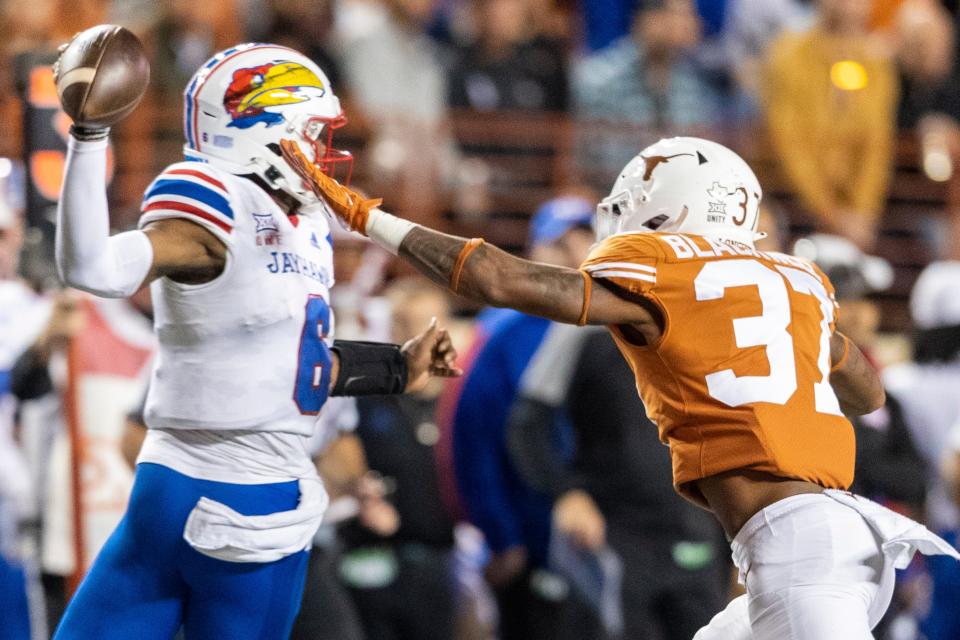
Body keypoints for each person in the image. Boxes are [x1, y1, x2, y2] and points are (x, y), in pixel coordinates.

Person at [282, 134, 960, 639]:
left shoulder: (666, 272)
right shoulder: (795, 282)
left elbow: (498, 280)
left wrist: (366, 218)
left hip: (800, 554)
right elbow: (867, 394)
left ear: (677, 208)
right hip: (832, 539)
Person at [51, 42, 459, 640]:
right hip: (247, 502)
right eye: (311, 131)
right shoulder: (216, 195)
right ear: (260, 125)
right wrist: (88, 139)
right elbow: (94, 267)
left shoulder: (304, 222)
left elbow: (289, 359)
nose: (321, 150)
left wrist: (398, 366)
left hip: (176, 489)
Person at [450, 197, 600, 640]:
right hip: (531, 537)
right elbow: (473, 439)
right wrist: (501, 536)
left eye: (585, 239)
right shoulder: (505, 331)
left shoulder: (612, 325)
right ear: (537, 250)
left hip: (604, 533)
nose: (577, 252)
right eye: (562, 242)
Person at [763, 0, 898, 250]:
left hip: (857, 216)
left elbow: (876, 145)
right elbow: (788, 144)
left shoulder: (876, 64)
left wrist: (863, 211)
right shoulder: (789, 54)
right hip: (794, 206)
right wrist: (830, 214)